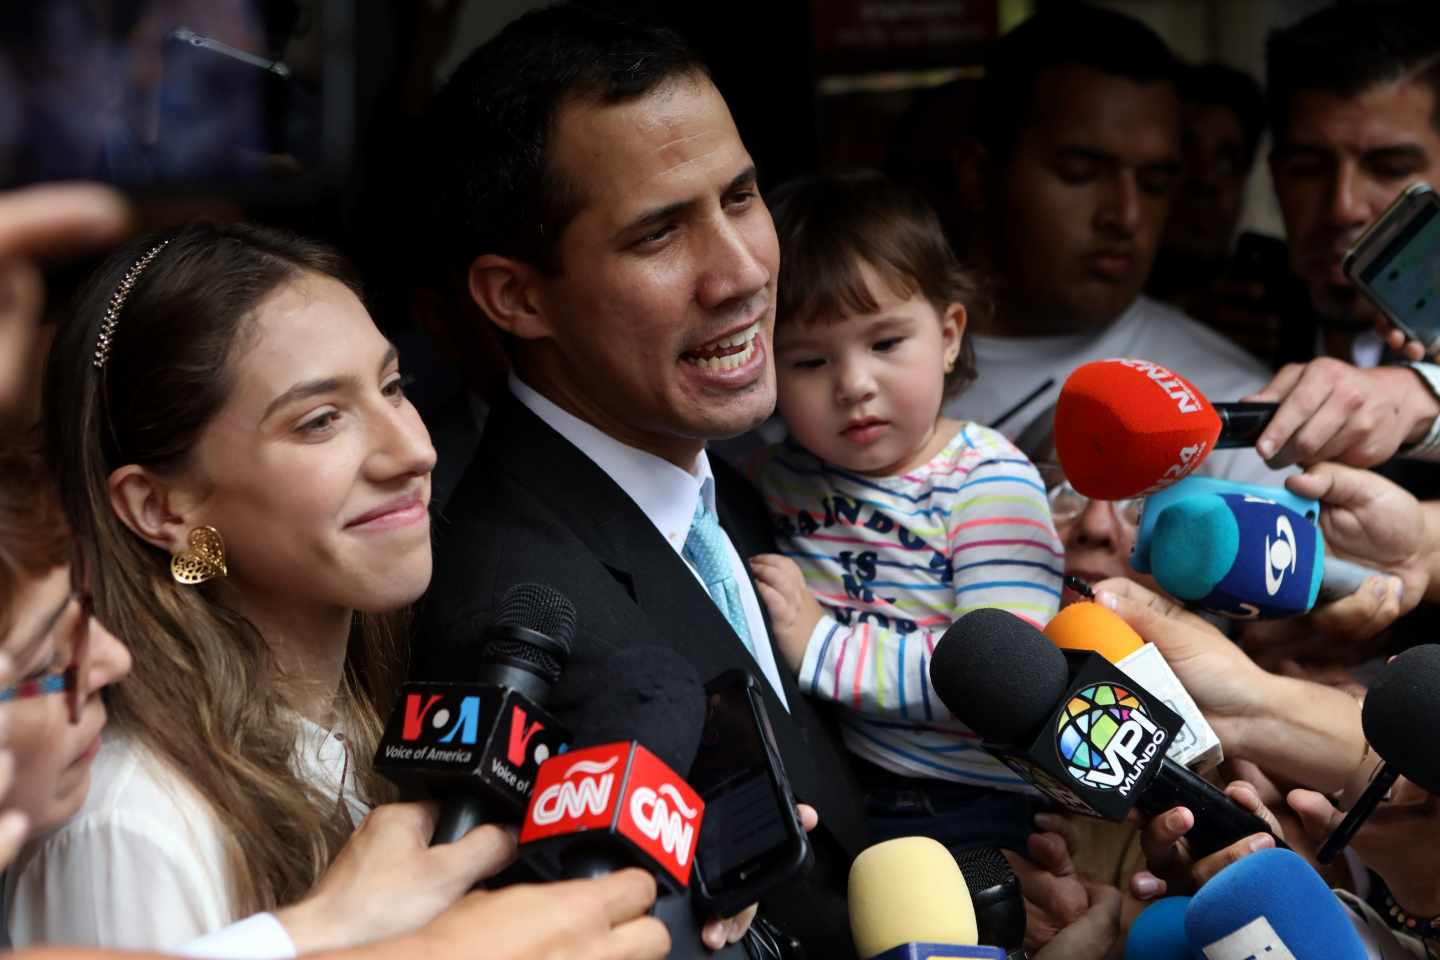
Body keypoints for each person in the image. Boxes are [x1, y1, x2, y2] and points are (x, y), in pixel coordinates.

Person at [415, 5, 867, 953]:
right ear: (517, 297)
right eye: (660, 235)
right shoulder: (513, 626)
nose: (741, 272)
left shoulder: (733, 487)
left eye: (741, 198)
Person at [7, 221, 440, 949]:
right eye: (322, 420)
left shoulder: (366, 727)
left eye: (393, 387)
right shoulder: (135, 823)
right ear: (162, 508)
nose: (414, 449)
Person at [746, 171, 1062, 851]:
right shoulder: (780, 474)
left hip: (970, 798)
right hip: (839, 774)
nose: (854, 385)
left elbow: (998, 679)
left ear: (949, 334)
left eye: (886, 344)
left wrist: (823, 648)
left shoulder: (988, 482)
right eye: (808, 361)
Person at [946, 4, 1282, 490]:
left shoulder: (1227, 411)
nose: (1125, 215)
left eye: (1154, 183)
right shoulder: (845, 368)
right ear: (979, 174)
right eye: (1081, 172)